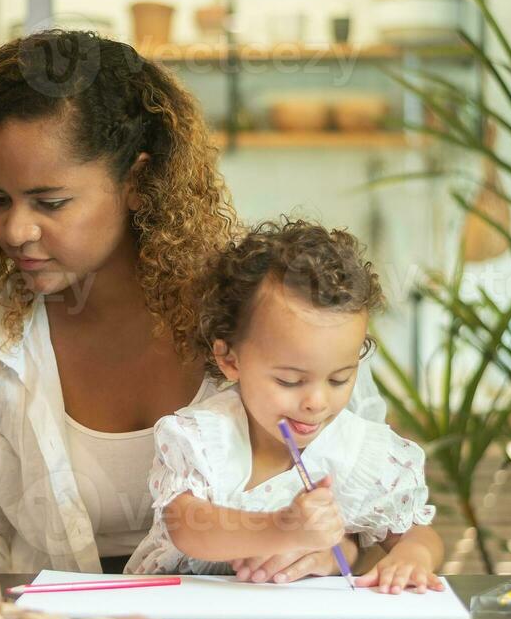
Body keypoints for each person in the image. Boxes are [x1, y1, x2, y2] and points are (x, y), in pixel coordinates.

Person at [0, 29, 398, 583]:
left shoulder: (266, 318)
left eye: (50, 202)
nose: (15, 230)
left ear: (138, 181)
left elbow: (372, 516)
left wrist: (334, 550)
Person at [125, 219, 445, 593]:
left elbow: (418, 534)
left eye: (340, 378)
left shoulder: (360, 453)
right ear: (230, 360)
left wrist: (414, 557)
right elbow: (186, 525)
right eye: (290, 381)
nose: (317, 402)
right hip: (177, 618)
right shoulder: (203, 437)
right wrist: (282, 528)